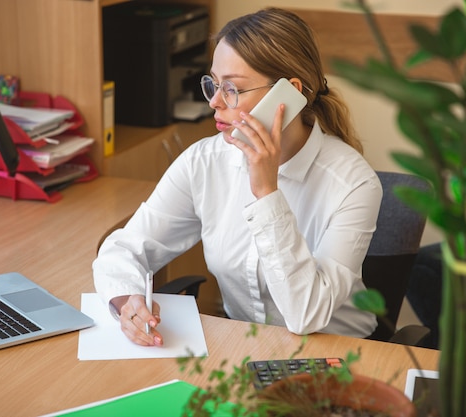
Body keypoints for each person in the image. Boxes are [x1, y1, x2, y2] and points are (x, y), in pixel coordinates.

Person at [93, 7, 382, 346]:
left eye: (231, 88)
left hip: (341, 351)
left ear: (288, 94)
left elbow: (306, 316)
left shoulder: (354, 184)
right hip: (246, 346)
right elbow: (123, 248)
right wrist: (126, 302)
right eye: (214, 84)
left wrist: (267, 193)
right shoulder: (204, 162)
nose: (215, 102)